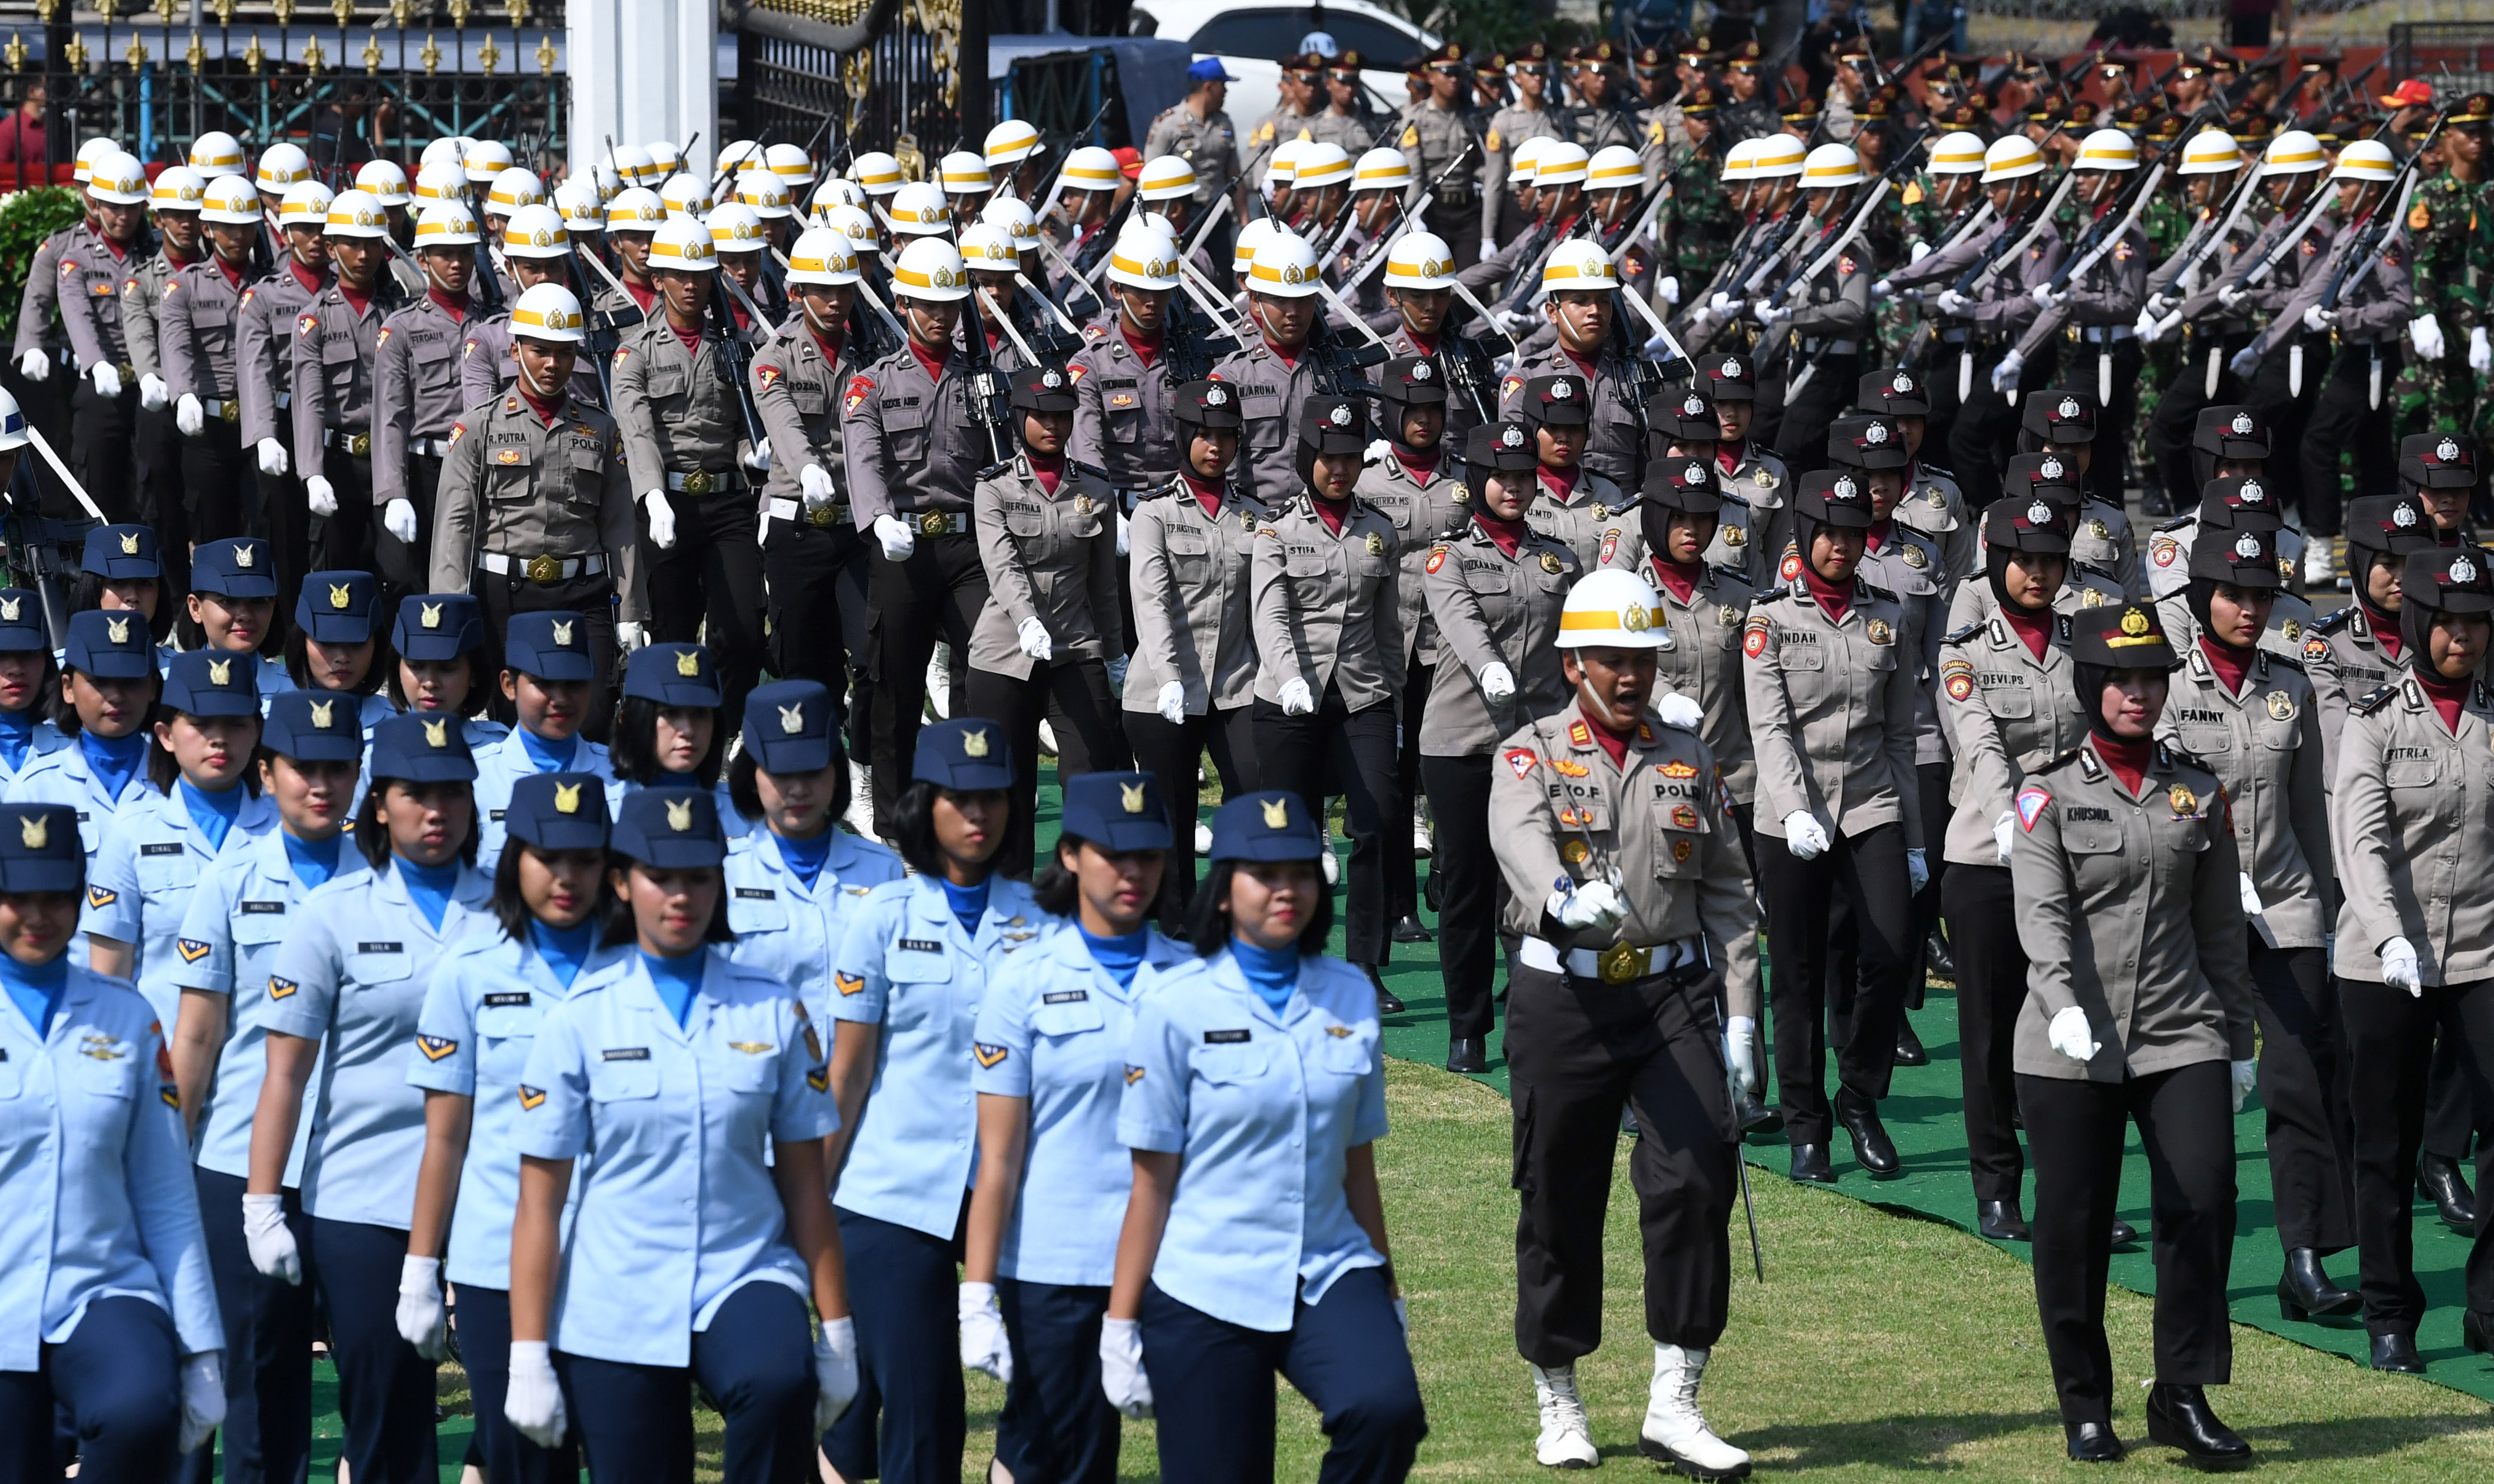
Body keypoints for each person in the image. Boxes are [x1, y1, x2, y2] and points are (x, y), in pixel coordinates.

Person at [503, 786, 859, 1479]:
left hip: (742, 1265)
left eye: (698, 876)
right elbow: (539, 1204)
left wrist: (838, 1331)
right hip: (618, 1286)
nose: (680, 895)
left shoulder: (771, 1008)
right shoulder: (580, 1019)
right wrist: (526, 1352)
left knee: (778, 1376)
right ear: (620, 881)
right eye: (659, 875)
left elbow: (805, 1183)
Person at [1104, 786, 1428, 1480]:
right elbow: (1149, 1181)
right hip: (1204, 1277)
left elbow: (1357, 1165)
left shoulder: (1348, 994)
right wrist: (1119, 1322)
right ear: (1223, 889)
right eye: (1265, 874)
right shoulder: (1174, 1004)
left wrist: (1389, 1293)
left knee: (1385, 1409)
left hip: (1327, 1265)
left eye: (1301, 871)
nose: (1287, 889)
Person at [2011, 601, 2255, 1466]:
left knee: (2206, 1195)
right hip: (2069, 1034)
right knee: (2072, 1224)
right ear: (2091, 684)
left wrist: (2238, 1042)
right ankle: (2085, 1401)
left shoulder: (2197, 789)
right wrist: (2060, 998)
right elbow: (2039, 916)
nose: (2138, 694)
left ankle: (2180, 1390)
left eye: (2151, 677)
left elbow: (2222, 928)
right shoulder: (2046, 793)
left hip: (2178, 1027)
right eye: (2121, 678)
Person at [245, 712, 497, 1484]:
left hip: (498, 1192)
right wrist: (263, 1200)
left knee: (520, 1411)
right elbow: (284, 1072)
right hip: (366, 1196)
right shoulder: (332, 914)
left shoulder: (512, 906)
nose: (437, 809)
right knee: (387, 1421)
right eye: (416, 791)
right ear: (379, 801)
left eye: (453, 790)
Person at [824, 717, 1047, 1483]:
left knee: (1058, 1377)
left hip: (1014, 1188)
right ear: (926, 804)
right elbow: (846, 1074)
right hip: (893, 1189)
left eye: (992, 796)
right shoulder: (881, 916)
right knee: (924, 1409)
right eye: (959, 797)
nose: (978, 813)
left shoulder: (1043, 918)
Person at [964, 771, 1190, 1484]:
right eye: (1111, 853)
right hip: (1055, 1260)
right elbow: (996, 1156)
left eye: (1147, 855)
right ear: (1069, 856)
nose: (1131, 871)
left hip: (1174, 1257)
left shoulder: (1194, 980)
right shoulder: (1021, 981)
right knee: (1056, 1452)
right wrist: (977, 1290)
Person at [2151, 524, 2350, 1319]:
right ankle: (2195, 1256)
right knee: (2199, 1091)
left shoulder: (2290, 685)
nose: (2250, 608)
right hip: (2193, 908)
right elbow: (2161, 805)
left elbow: (2310, 809)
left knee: (2300, 1077)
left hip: (2285, 901)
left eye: (2263, 595)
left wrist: (2330, 916)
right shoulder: (2163, 683)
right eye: (2235, 594)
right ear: (2203, 597)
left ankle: (2305, 1258)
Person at [403, 772, 624, 1484]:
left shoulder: (642, 970)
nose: (566, 875)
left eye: (585, 858)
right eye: (546, 855)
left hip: (620, 1260)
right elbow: (445, 1136)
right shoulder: (467, 973)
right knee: (526, 1465)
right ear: (512, 860)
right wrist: (420, 1266)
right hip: (495, 1258)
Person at [167, 689, 362, 1484]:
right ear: (271, 771)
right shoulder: (228, 879)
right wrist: (166, 1167)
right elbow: (198, 1035)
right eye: (301, 766)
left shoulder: (388, 881)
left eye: (336, 768)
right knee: (254, 1380)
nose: (319, 783)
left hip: (359, 1166)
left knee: (372, 1371)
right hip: (237, 1161)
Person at [0, 799, 226, 1483]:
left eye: (57, 897)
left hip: (99, 1287)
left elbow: (165, 1192)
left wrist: (202, 1348)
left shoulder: (127, 1016)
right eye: (18, 897)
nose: (39, 916)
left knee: (137, 1409)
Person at [2330, 547, 2494, 1374]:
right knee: (2385, 1142)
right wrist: (2391, 933)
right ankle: (2391, 1311)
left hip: (2484, 954)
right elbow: (2360, 837)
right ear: (2424, 623)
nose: (2464, 636)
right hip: (2383, 959)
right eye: (2451, 621)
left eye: (2478, 621)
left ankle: (2490, 1304)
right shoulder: (2374, 717)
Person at [1419, 421, 1581, 1073]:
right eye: (1501, 476)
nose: (1513, 487)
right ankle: (1467, 1024)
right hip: (1460, 738)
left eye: (1522, 476)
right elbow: (1458, 616)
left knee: (1533, 878)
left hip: (1532, 742)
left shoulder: (1559, 559)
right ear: (1476, 482)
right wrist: (1488, 664)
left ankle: (1525, 1004)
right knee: (1467, 884)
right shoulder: (1449, 555)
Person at [1251, 396, 1407, 1009]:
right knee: (1291, 834)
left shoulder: (1378, 530)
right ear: (1308, 457)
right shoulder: (1276, 530)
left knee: (1377, 822)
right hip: (1291, 696)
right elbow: (1270, 612)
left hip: (1362, 694)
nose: (1339, 470)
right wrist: (1288, 676)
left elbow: (1388, 626)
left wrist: (1392, 705)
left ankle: (1364, 965)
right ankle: (1292, 959)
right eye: (1328, 458)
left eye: (1348, 458)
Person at [427, 282, 642, 719]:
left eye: (564, 352)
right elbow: (455, 528)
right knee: (514, 723)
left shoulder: (601, 429)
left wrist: (633, 610)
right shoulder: (476, 429)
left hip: (583, 592)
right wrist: (447, 610)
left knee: (595, 714)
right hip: (507, 594)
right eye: (541, 350)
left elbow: (620, 524)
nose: (553, 364)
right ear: (515, 349)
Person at [843, 238, 998, 827]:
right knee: (894, 687)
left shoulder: (981, 380)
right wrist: (880, 517)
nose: (940, 316)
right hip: (901, 541)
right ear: (902, 302)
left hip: (968, 544)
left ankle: (961, 796)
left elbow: (1001, 460)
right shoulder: (873, 382)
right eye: (927, 305)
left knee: (979, 673)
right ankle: (892, 816)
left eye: (950, 305)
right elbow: (863, 459)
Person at [965, 364, 1130, 878]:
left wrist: (1116, 651)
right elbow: (1002, 566)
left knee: (1089, 771)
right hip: (1005, 650)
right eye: (1041, 415)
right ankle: (1009, 897)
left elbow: (1103, 583)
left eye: (1061, 415)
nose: (1052, 425)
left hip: (1077, 648)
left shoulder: (1097, 490)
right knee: (1007, 784)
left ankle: (1081, 888)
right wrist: (1026, 621)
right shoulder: (993, 487)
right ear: (1019, 418)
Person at [612, 218, 768, 720]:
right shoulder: (634, 352)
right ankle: (665, 728)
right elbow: (637, 431)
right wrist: (653, 496)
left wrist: (751, 453)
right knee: (673, 635)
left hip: (727, 502)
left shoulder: (737, 345)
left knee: (744, 627)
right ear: (657, 278)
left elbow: (744, 420)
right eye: (679, 274)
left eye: (701, 274)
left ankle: (722, 731)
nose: (691, 284)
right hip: (668, 505)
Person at [83, 649, 275, 1032]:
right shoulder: (133, 831)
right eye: (202, 723)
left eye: (235, 723)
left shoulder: (284, 829)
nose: (219, 739)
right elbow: (110, 981)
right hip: (165, 1063)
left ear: (256, 733)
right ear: (166, 735)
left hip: (263, 1068)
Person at [723, 679, 905, 1014]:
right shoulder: (723, 874)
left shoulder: (883, 871)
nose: (798, 789)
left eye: (812, 771)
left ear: (837, 771)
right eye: (781, 773)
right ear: (752, 775)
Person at [373, 202, 489, 596]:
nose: (456, 263)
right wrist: (394, 493)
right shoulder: (401, 328)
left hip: (485, 469)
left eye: (464, 253)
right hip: (428, 471)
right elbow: (390, 416)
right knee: (417, 582)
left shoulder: (495, 324)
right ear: (422, 258)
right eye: (445, 253)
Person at [291, 190, 405, 576]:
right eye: (352, 244)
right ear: (330, 247)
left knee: (399, 576)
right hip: (338, 461)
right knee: (337, 577)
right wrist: (313, 472)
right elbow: (308, 401)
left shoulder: (400, 314)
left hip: (392, 461)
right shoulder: (314, 319)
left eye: (371, 244)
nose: (362, 255)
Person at [161, 176, 268, 544]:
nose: (238, 235)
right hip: (208, 426)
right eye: (227, 227)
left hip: (261, 426)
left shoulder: (269, 285)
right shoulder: (185, 286)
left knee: (265, 528)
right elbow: (175, 345)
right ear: (207, 228)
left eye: (246, 226)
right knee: (211, 531)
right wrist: (183, 394)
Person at [8, 609, 163, 862]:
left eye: (131, 681)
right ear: (68, 688)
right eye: (100, 682)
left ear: (153, 688)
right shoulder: (34, 788)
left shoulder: (179, 782)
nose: (116, 696)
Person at [470, 612, 619, 872]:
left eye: (574, 683)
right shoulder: (475, 777)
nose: (561, 699)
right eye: (544, 684)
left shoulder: (621, 778)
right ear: (509, 685)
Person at [611, 642, 745, 839]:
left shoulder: (743, 813)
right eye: (670, 713)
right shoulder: (605, 811)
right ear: (628, 720)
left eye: (700, 714)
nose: (688, 731)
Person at [389, 592, 510, 750]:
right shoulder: (371, 752)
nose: (430, 683)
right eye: (416, 666)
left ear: (473, 672)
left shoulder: (499, 752)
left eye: (447, 669)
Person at [287, 569, 398, 732]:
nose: (342, 657)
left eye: (357, 644)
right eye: (327, 643)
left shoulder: (399, 724)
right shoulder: (268, 720)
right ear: (301, 642)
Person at [0, 587, 68, 789]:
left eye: (28, 653)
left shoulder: (76, 749)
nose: (16, 669)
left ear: (46, 661)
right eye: (1, 655)